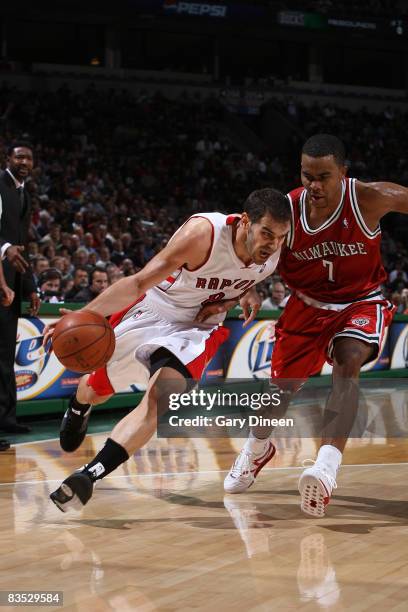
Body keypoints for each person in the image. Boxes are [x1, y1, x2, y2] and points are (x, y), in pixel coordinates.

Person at [45, 188, 291, 511]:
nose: (273, 245)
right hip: (154, 309)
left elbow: (244, 276)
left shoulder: (270, 256)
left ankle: (88, 477)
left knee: (159, 400)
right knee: (95, 389)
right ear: (245, 222)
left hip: (197, 328)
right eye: (267, 234)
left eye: (281, 237)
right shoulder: (203, 234)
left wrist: (239, 296)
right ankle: (79, 405)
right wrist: (86, 314)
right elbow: (137, 283)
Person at [223, 134, 406, 518]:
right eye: (308, 175)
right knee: (278, 394)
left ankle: (324, 470)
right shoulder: (286, 210)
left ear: (343, 172)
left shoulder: (369, 198)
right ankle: (257, 448)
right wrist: (249, 286)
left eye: (324, 176)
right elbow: (252, 245)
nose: (315, 186)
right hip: (306, 306)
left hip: (361, 300)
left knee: (348, 360)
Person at [0, 142, 41, 435]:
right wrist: (4, 248)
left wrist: (31, 288)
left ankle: (6, 418)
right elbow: (10, 246)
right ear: (8, 159)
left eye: (28, 158)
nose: (24, 161)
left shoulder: (25, 193)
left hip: (11, 284)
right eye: (19, 157)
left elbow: (21, 247)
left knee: (4, 354)